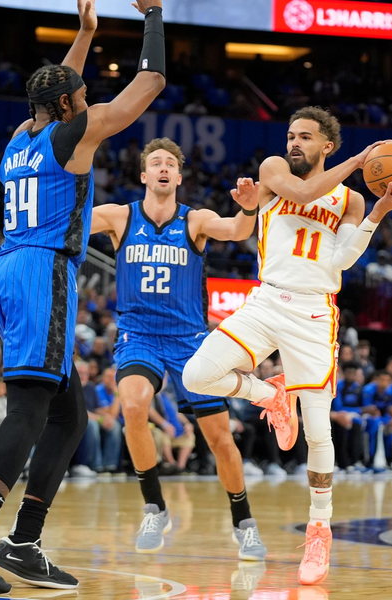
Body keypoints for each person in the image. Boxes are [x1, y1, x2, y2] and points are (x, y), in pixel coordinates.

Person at [0, 0, 167, 594]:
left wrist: (86, 33)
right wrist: (154, 16)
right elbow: (151, 83)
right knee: (31, 410)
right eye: (83, 95)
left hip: (10, 268)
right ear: (68, 107)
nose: (90, 101)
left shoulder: (22, 134)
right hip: (44, 274)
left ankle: (23, 542)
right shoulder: (74, 132)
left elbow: (56, 86)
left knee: (68, 416)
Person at [182, 106, 392, 584]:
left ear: (327, 145)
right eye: (291, 135)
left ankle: (319, 530)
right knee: (196, 376)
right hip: (267, 299)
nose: (294, 143)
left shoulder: (349, 201)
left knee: (318, 432)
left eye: (305, 137)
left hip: (313, 312)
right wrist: (357, 162)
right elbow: (307, 190)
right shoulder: (273, 171)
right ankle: (271, 395)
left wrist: (375, 213)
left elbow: (344, 259)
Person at [89, 136, 268, 558]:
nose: (164, 167)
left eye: (171, 162)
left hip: (190, 341)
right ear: (144, 174)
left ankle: (243, 521)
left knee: (220, 440)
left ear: (179, 176)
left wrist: (248, 205)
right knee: (132, 406)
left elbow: (238, 229)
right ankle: (155, 506)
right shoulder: (120, 217)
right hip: (139, 336)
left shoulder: (196, 220)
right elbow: (70, 219)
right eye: (156, 162)